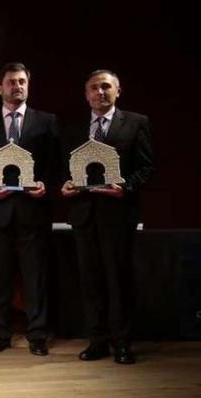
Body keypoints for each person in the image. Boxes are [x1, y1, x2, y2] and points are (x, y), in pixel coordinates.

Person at [61, 70, 154, 365]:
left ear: (117, 91)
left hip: (118, 215)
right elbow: (67, 167)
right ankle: (97, 340)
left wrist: (125, 186)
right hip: (84, 215)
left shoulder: (136, 122)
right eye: (93, 88)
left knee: (119, 281)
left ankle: (122, 343)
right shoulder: (75, 126)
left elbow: (146, 167)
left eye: (105, 87)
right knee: (90, 282)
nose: (100, 93)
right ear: (86, 93)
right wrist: (65, 184)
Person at [0, 62, 62, 356]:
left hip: (33, 210)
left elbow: (57, 165)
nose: (18, 86)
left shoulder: (46, 121)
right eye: (12, 82)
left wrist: (46, 185)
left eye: (23, 81)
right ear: (0, 88)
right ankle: (0, 333)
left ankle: (37, 334)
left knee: (35, 276)